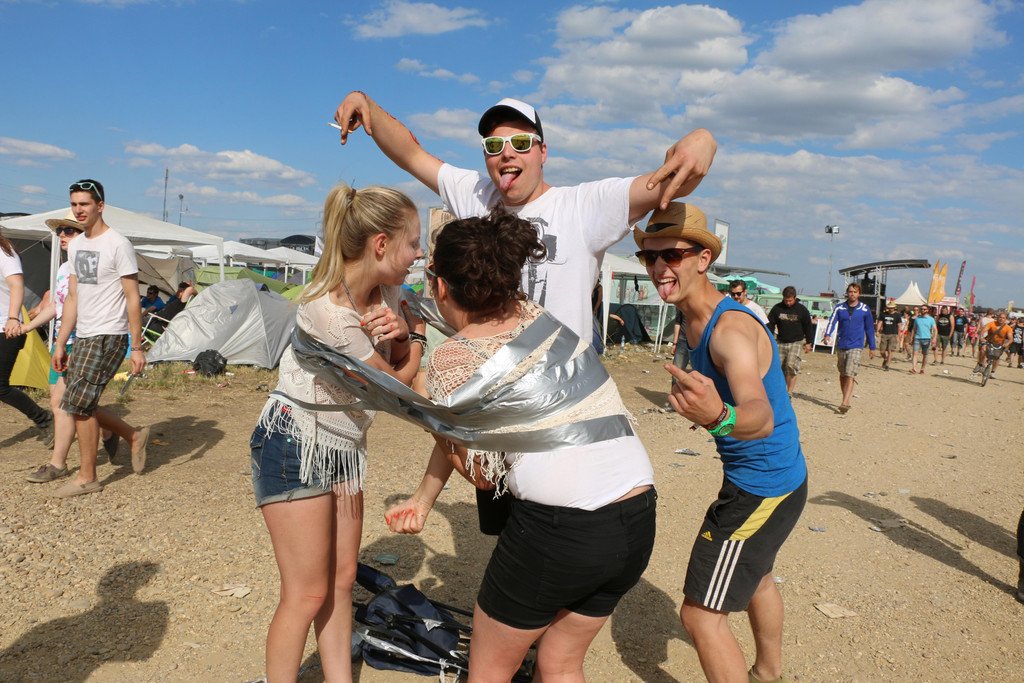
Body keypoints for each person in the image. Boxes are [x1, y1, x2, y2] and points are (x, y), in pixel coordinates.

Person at [384, 211, 655, 681]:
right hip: (636, 513)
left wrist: (430, 413)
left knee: (489, 672)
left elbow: (483, 474)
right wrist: (424, 499)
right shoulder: (538, 316)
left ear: (440, 285)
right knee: (561, 663)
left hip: (561, 530)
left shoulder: (453, 358)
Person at [333, 91, 716, 341]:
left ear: (542, 152)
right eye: (494, 145)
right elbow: (412, 155)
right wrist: (366, 105)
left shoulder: (582, 206)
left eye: (520, 143)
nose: (506, 153)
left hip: (560, 393)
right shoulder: (477, 195)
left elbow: (668, 183)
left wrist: (702, 139)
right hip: (494, 386)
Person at [249, 183, 426, 682]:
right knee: (306, 593)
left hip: (344, 447)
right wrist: (416, 337)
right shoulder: (328, 312)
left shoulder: (388, 291)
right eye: (414, 242)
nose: (419, 253)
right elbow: (395, 389)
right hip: (295, 444)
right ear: (381, 244)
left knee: (343, 580)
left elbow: (395, 352)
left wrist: (400, 335)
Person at [636, 202, 806, 683]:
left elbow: (760, 417)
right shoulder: (693, 319)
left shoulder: (729, 328)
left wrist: (719, 416)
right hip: (782, 479)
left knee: (700, 616)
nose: (659, 267)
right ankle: (768, 673)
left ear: (703, 259)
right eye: (650, 256)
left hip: (761, 488)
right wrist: (710, 410)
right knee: (757, 577)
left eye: (672, 255)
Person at [50, 180, 150, 498]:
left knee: (79, 403)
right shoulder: (76, 245)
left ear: (100, 206)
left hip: (110, 333)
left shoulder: (118, 244)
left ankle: (88, 477)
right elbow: (73, 297)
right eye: (74, 204)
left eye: (85, 204)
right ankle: (133, 435)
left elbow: (132, 297)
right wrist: (61, 342)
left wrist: (137, 347)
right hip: (83, 333)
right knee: (78, 402)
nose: (78, 210)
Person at [19, 213, 126, 483]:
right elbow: (57, 305)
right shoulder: (64, 268)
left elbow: (83, 304)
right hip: (61, 342)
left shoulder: (88, 266)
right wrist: (29, 327)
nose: (62, 236)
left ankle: (58, 464)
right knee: (64, 403)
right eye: (60, 232)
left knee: (63, 403)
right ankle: (114, 431)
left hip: (80, 341)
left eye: (69, 231)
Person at [0, 234, 53, 442]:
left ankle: (44, 418)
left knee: (0, 387)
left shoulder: (4, 252)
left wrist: (13, 318)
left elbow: (17, 285)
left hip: (6, 327)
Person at [823, 283, 876, 413]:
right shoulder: (839, 308)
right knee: (843, 374)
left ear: (859, 293)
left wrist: (872, 346)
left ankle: (845, 402)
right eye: (850, 291)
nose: (852, 294)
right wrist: (827, 334)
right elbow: (832, 321)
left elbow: (869, 328)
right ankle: (845, 397)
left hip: (856, 345)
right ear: (847, 293)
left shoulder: (865, 309)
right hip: (842, 344)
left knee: (850, 373)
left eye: (855, 292)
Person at [766, 286, 814, 394]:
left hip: (796, 342)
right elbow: (770, 324)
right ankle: (780, 391)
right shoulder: (777, 308)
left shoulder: (801, 310)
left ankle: (789, 392)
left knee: (791, 366)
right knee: (778, 367)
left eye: (790, 300)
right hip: (781, 341)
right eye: (786, 300)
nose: (788, 303)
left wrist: (809, 342)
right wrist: (769, 338)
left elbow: (808, 326)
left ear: (795, 298)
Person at [973, 309, 1013, 376]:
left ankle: (993, 372)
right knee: (982, 349)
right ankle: (980, 364)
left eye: (1003, 318)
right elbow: (983, 330)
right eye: (1000, 317)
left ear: (1006, 319)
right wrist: (981, 337)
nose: (1001, 319)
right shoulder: (992, 324)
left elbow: (1010, 338)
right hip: (989, 342)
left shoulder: (1008, 328)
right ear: (997, 317)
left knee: (997, 357)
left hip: (999, 344)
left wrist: (1007, 343)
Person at [909, 305, 937, 374]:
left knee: (925, 354)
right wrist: (911, 337)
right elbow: (914, 329)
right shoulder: (917, 319)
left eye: (924, 309)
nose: (923, 310)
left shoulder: (931, 319)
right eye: (921, 309)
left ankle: (922, 368)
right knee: (915, 353)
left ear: (927, 310)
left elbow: (935, 329)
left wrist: (934, 338)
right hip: (917, 338)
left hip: (927, 339)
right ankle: (914, 368)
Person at [875, 299, 901, 371]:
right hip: (884, 334)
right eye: (889, 307)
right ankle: (885, 358)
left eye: (892, 308)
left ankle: (887, 365)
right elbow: (880, 322)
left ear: (894, 308)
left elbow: (899, 326)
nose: (890, 309)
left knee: (890, 350)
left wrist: (899, 336)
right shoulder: (883, 314)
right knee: (882, 351)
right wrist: (877, 331)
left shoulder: (897, 315)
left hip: (893, 334)